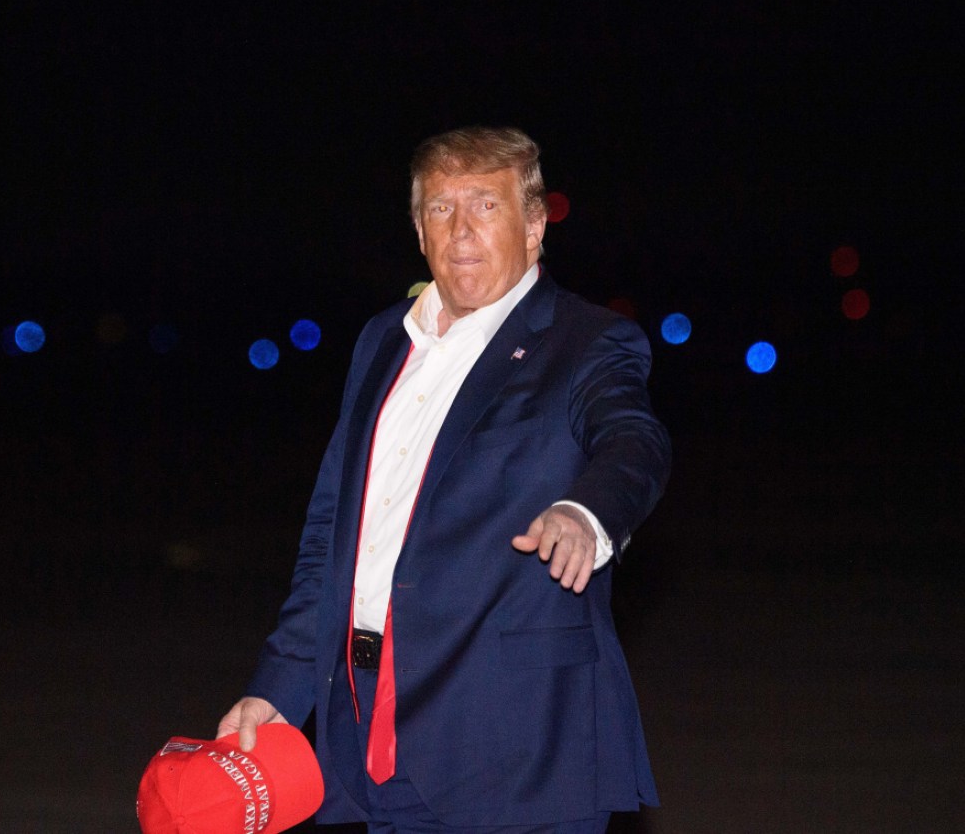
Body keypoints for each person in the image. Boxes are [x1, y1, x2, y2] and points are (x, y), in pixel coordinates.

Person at [218, 126, 671, 833]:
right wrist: (279, 690)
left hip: (508, 745)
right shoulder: (381, 341)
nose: (460, 231)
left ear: (532, 225)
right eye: (439, 209)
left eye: (485, 207)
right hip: (366, 729)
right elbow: (335, 537)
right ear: (417, 230)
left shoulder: (584, 341)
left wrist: (585, 513)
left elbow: (633, 443)